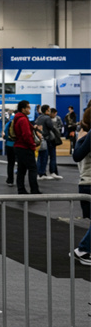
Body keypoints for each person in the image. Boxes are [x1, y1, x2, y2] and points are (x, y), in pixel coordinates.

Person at [70, 108, 91, 266]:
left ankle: (83, 249)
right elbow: (77, 155)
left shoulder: (83, 135)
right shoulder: (87, 136)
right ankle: (83, 249)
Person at [13, 100, 41, 195]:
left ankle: (21, 189)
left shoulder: (18, 118)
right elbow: (26, 135)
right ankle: (34, 190)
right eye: (28, 107)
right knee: (32, 169)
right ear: (23, 109)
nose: (29, 109)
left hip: (19, 146)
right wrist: (32, 145)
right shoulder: (23, 119)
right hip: (25, 147)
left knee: (21, 170)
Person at [35, 104, 61, 180]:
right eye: (49, 110)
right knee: (50, 156)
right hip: (48, 139)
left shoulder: (39, 117)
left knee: (41, 157)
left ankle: (41, 172)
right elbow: (51, 127)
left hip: (41, 138)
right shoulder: (47, 118)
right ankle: (50, 172)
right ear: (46, 110)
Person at [2, 114, 17, 187]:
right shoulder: (20, 123)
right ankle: (20, 181)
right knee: (20, 164)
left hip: (9, 145)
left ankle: (10, 180)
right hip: (18, 146)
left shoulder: (9, 123)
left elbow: (4, 134)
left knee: (10, 164)